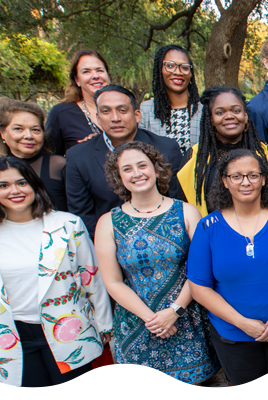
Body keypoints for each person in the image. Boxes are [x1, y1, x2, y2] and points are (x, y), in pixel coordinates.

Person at [0, 157, 112, 387]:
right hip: (12, 335)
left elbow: (91, 279)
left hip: (69, 332)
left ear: (34, 185)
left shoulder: (69, 225)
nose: (15, 191)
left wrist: (104, 326)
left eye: (22, 183)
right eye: (3, 185)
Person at [93, 142, 219, 387]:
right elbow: (113, 282)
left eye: (143, 165)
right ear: (118, 177)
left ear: (157, 169)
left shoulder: (187, 212)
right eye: (127, 169)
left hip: (186, 321)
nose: (137, 173)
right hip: (138, 325)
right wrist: (152, 319)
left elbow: (203, 269)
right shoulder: (108, 222)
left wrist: (174, 311)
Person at [187, 149, 268, 388]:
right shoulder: (208, 227)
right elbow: (199, 288)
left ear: (264, 179)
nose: (246, 182)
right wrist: (242, 323)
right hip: (233, 334)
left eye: (253, 175)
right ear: (225, 181)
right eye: (237, 176)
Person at [65, 85, 184, 236]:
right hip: (105, 242)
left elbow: (175, 203)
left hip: (163, 239)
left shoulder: (167, 148)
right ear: (98, 118)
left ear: (137, 115)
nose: (115, 118)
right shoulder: (78, 156)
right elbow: (82, 215)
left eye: (122, 110)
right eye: (106, 111)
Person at [178, 86, 268, 217]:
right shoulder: (194, 158)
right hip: (210, 233)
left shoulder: (265, 154)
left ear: (245, 116)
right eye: (220, 112)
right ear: (211, 119)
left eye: (236, 110)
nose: (229, 116)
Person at [0, 98, 67, 222]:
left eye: (35, 130)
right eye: (18, 129)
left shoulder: (59, 165)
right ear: (2, 132)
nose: (28, 136)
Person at [138, 44, 202, 158]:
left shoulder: (204, 108)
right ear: (160, 69)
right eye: (170, 66)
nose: (178, 72)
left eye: (184, 67)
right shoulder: (146, 109)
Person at [47, 49, 111, 156]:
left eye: (100, 70)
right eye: (86, 71)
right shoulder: (61, 113)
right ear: (77, 80)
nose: (95, 76)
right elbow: (49, 159)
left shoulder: (126, 109)